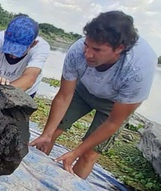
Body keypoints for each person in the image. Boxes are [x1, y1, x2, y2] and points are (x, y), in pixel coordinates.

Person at [30, 11, 157, 179]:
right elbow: (64, 96)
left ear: (119, 48)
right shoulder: (77, 51)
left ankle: (68, 190)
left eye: (97, 50)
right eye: (87, 45)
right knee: (50, 134)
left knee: (88, 154)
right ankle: (35, 175)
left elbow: (114, 121)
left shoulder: (138, 70)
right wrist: (46, 134)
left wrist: (75, 152)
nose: (88, 54)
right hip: (83, 89)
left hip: (114, 103)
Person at [0, 16, 50, 97]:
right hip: (0, 81)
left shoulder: (41, 47)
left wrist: (1, 91)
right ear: (5, 35)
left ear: (33, 44)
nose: (13, 55)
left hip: (26, 92)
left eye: (19, 51)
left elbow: (29, 78)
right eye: (9, 48)